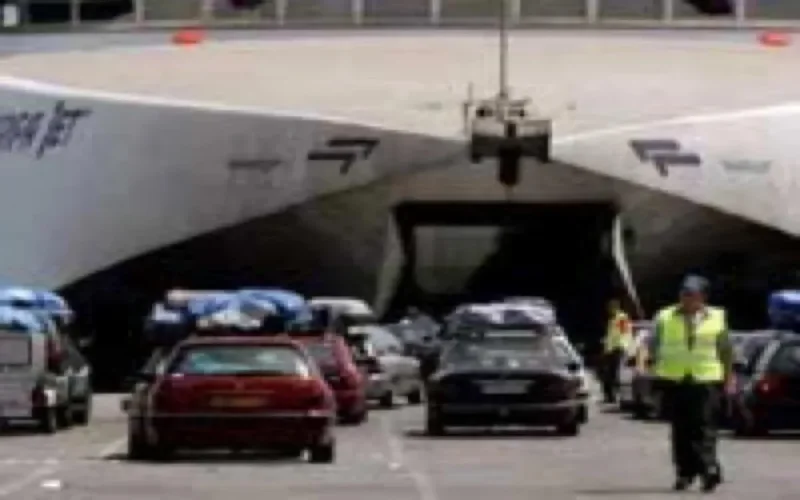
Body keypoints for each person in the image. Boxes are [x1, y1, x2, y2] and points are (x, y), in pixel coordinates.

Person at [649, 275, 733, 493]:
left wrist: (729, 378)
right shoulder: (665, 316)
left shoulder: (717, 317)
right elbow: (654, 346)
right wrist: (653, 370)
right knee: (681, 430)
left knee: (704, 427)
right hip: (674, 379)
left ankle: (709, 470)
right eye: (684, 294)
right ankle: (685, 472)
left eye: (692, 295)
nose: (687, 299)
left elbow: (725, 350)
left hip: (706, 379)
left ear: (703, 297)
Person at [601, 299, 632, 403]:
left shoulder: (621, 317)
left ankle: (615, 396)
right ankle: (610, 396)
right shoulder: (612, 319)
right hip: (611, 350)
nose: (609, 310)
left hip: (618, 348)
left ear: (616, 307)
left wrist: (622, 346)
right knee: (608, 374)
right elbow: (611, 336)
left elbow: (625, 332)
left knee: (614, 374)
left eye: (611, 308)